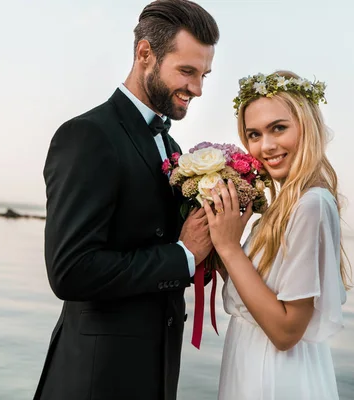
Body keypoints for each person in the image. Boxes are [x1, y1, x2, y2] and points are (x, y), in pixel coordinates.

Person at [33, 1, 219, 399]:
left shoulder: (171, 146)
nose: (198, 88)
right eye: (187, 71)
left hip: (153, 374)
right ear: (145, 54)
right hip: (95, 379)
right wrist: (183, 254)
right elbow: (70, 271)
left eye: (203, 74)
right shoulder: (88, 136)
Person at [202, 71, 352, 400]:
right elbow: (257, 293)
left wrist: (230, 249)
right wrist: (222, 238)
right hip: (251, 363)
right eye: (254, 134)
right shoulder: (283, 206)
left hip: (275, 375)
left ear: (307, 126)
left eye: (278, 128)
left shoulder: (310, 205)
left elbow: (286, 331)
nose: (265, 146)